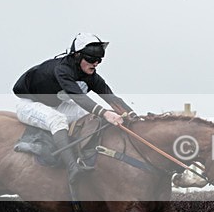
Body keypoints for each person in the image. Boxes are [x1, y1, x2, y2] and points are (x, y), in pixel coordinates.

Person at [13, 33, 137, 186]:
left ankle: (86, 153)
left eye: (99, 60)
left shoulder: (91, 76)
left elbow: (111, 98)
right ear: (77, 56)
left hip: (56, 104)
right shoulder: (62, 69)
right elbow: (78, 97)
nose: (96, 63)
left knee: (91, 114)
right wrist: (105, 113)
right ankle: (72, 168)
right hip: (29, 104)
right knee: (57, 120)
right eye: (91, 59)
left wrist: (134, 116)